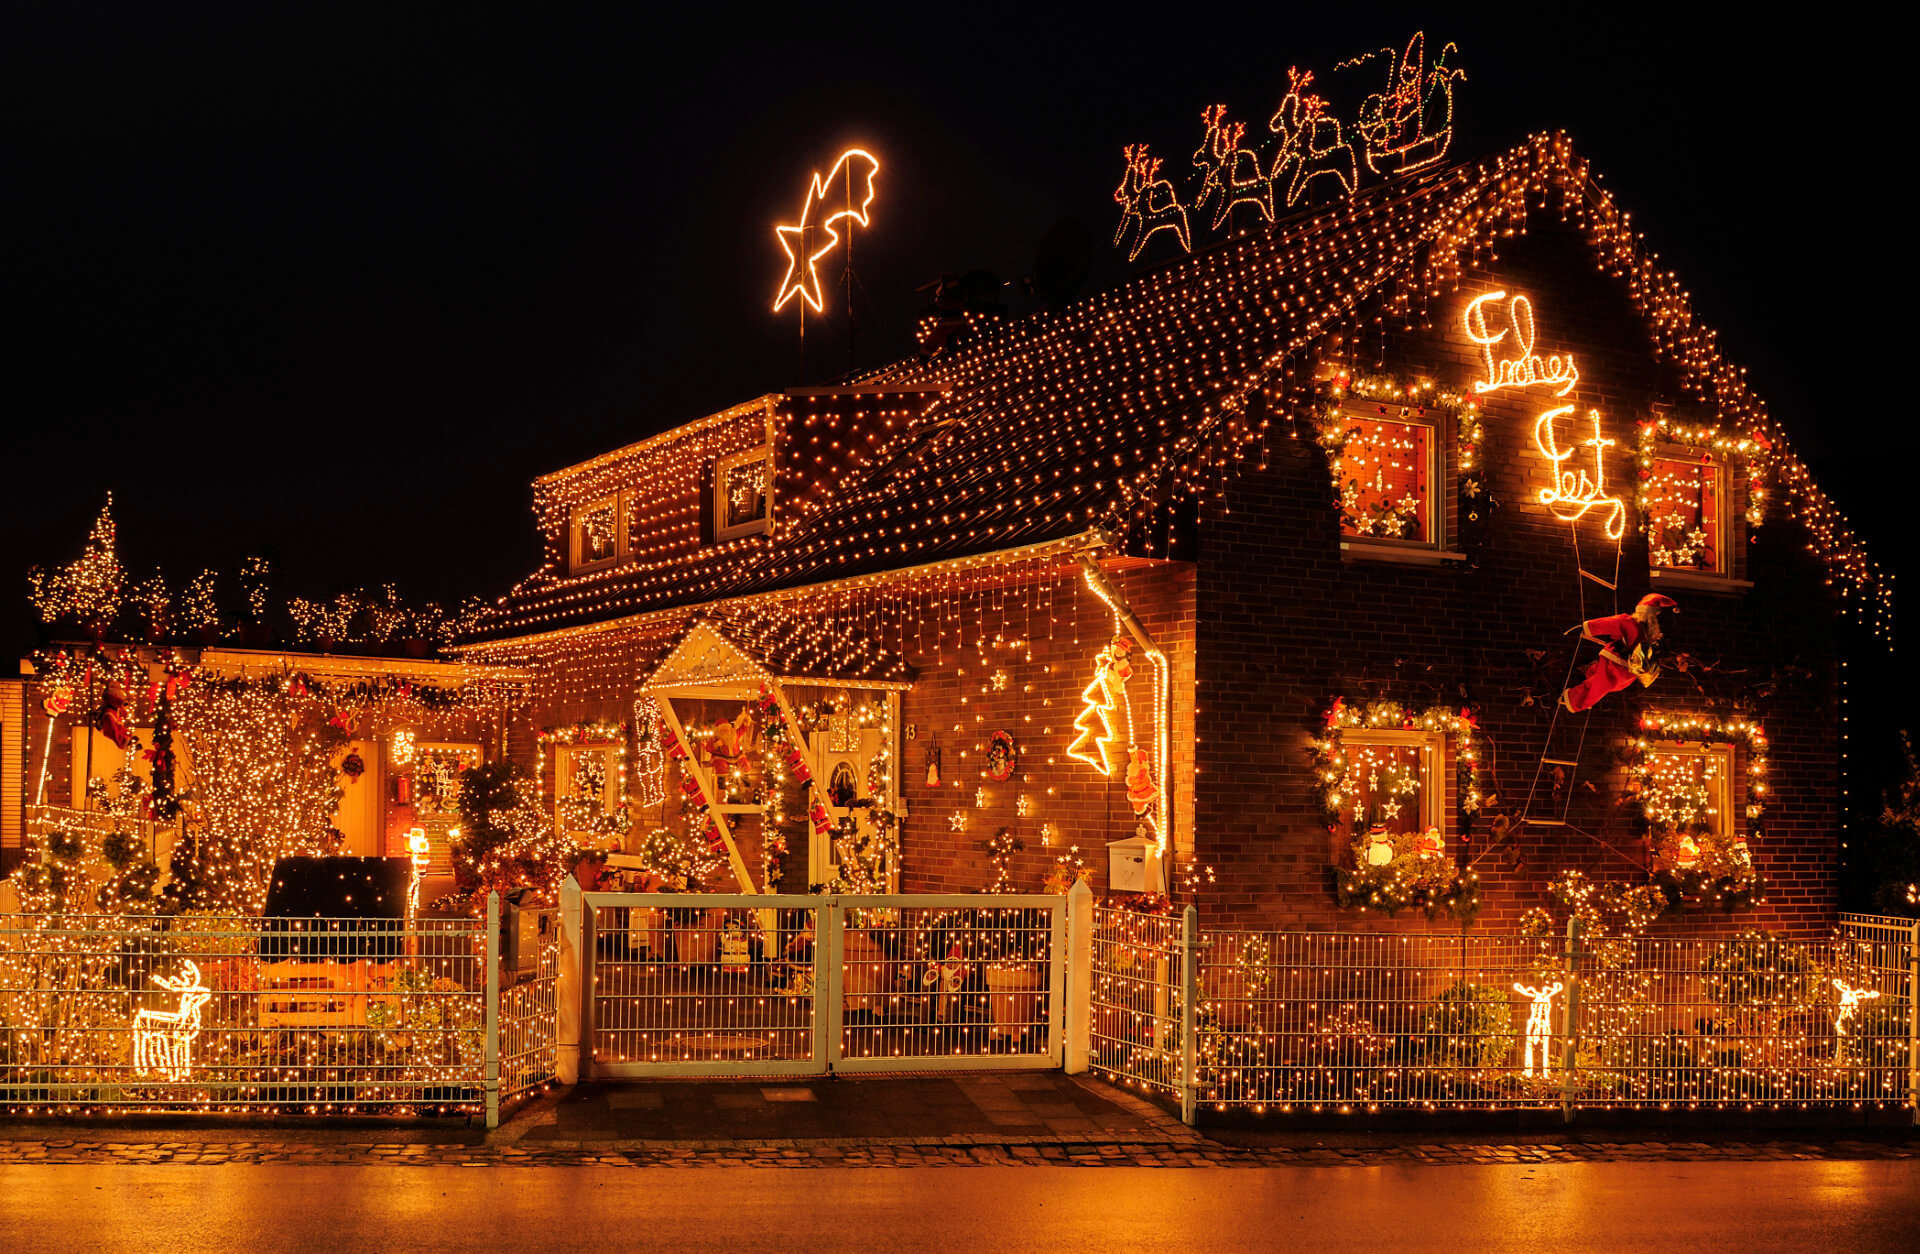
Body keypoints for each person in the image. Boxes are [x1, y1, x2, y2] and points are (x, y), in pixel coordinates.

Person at [1561, 593, 1678, 713]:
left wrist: (1589, 627)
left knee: (1600, 684)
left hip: (1621, 665)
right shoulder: (1645, 631)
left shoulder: (1636, 626)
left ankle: (1575, 699)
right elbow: (1612, 625)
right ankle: (1575, 698)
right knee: (1600, 684)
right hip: (1622, 667)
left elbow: (1611, 624)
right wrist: (1589, 627)